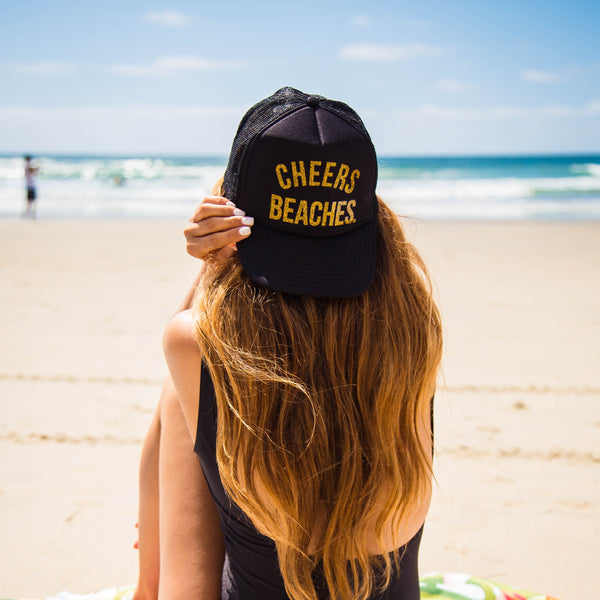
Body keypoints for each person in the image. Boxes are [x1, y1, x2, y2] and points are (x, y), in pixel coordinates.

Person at [133, 87, 443, 600]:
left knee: (180, 394)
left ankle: (144, 587)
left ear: (232, 215)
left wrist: (212, 264)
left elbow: (187, 334)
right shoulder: (412, 334)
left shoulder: (194, 344)